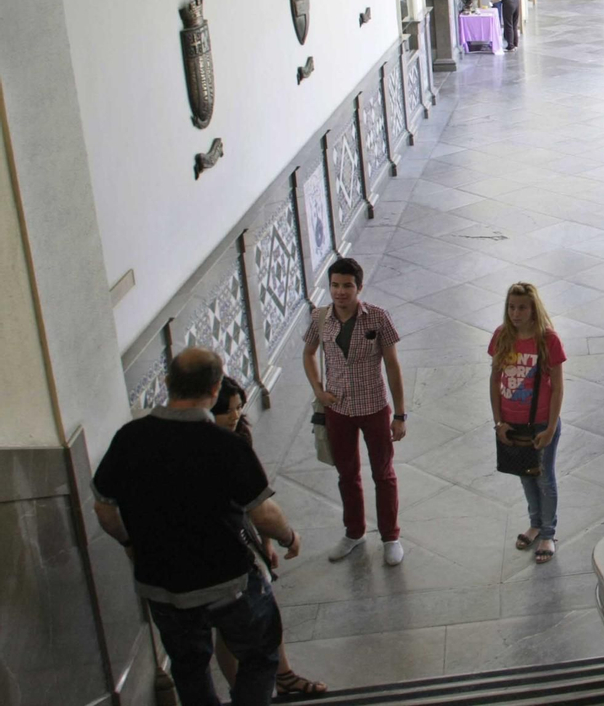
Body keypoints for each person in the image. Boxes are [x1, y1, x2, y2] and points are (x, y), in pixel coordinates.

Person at [92, 348, 302, 706]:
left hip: (161, 586)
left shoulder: (129, 438)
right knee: (260, 655)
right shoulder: (225, 446)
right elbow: (263, 513)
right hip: (227, 583)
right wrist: (288, 536)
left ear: (167, 382)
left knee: (189, 669)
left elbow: (104, 509)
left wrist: (129, 542)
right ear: (215, 387)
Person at [210, 377, 328, 699]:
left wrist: (266, 544)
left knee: (254, 615)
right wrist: (287, 536)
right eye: (227, 410)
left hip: (241, 540)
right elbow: (262, 510)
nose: (235, 416)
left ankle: (280, 678)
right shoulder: (213, 447)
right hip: (224, 552)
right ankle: (251, 691)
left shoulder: (237, 440)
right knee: (242, 624)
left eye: (238, 408)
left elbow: (253, 501)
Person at [301, 257, 408, 565]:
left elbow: (392, 365)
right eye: (335, 285)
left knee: (383, 474)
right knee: (346, 474)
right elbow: (308, 353)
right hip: (338, 409)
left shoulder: (377, 317)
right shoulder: (321, 318)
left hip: (374, 406)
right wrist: (318, 389)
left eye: (347, 286)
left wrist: (400, 415)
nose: (340, 292)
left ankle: (390, 536)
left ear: (359, 287)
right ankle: (354, 532)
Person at [489, 282, 566, 563]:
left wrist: (550, 427)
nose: (515, 313)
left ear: (534, 309)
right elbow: (495, 379)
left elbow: (557, 387)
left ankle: (547, 531)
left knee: (544, 476)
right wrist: (499, 422)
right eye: (511, 307)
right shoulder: (502, 336)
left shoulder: (548, 340)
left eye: (522, 307)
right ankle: (534, 523)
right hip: (513, 422)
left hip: (542, 422)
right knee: (525, 474)